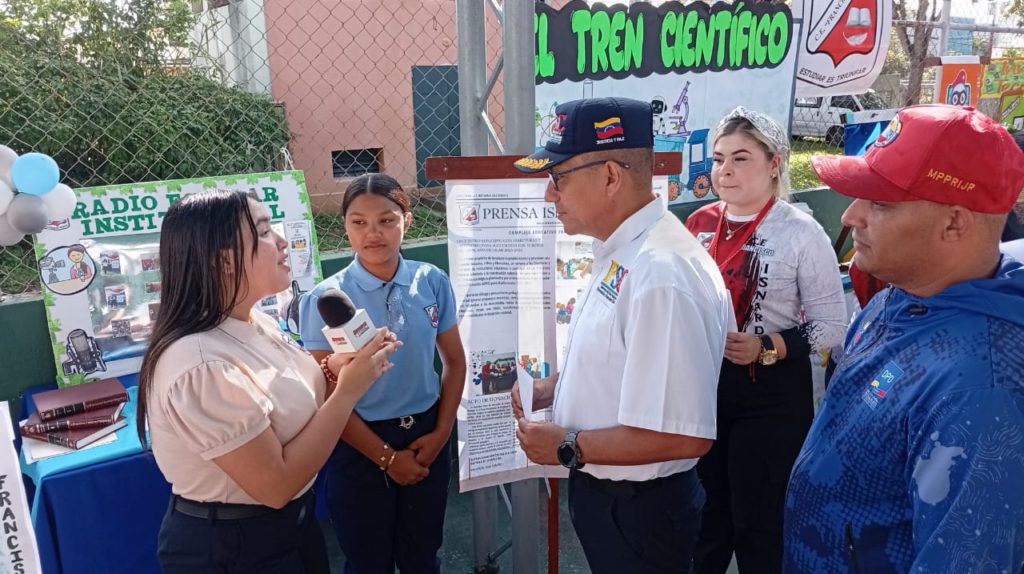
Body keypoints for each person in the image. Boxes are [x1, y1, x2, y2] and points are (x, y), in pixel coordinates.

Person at [784, 104, 1024, 573]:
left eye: (880, 203)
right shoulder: (903, 292)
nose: (851, 215)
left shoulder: (981, 389)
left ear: (954, 223)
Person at [511, 97, 734, 574]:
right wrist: (556, 390)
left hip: (640, 509)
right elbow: (628, 363)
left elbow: (683, 435)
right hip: (616, 500)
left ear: (611, 176)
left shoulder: (661, 272)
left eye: (558, 178)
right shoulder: (626, 250)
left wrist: (567, 445)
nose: (550, 196)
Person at [137, 190, 399, 573]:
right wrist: (348, 391)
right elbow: (276, 486)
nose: (280, 241)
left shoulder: (253, 321)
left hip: (290, 529)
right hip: (236, 546)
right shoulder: (200, 364)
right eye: (262, 231)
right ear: (223, 259)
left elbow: (290, 400)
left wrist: (336, 370)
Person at [684, 107, 847, 574]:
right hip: (704, 392)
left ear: (774, 163)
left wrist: (769, 346)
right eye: (717, 160)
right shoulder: (697, 223)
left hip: (771, 398)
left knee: (760, 526)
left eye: (740, 158)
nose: (724, 171)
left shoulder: (800, 231)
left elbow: (831, 325)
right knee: (705, 519)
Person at [298, 173, 465, 574]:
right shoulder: (325, 299)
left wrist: (441, 434)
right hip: (358, 445)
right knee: (367, 560)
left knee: (422, 555)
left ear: (407, 221)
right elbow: (325, 393)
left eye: (386, 220)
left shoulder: (432, 281)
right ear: (345, 226)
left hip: (427, 435)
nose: (373, 233)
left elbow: (455, 363)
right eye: (358, 222)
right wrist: (387, 458)